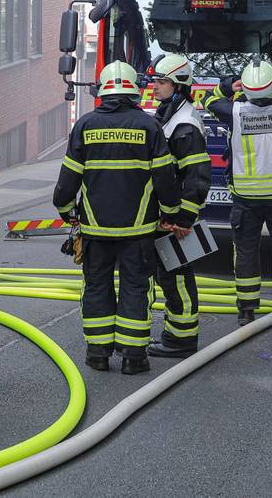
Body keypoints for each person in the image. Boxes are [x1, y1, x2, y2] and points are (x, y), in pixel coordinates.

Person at [52, 61, 179, 374]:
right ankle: (133, 357)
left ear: (103, 89)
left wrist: (66, 211)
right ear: (134, 90)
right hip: (138, 231)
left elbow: (67, 182)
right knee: (136, 288)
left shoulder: (84, 125)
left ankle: (97, 353)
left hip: (95, 230)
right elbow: (165, 179)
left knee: (96, 286)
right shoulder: (149, 126)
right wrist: (171, 214)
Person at [204, 60, 272, 332]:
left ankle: (246, 311)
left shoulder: (234, 111)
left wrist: (229, 85)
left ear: (248, 88)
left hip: (246, 196)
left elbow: (209, 100)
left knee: (245, 251)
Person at [145, 55, 212, 359]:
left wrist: (183, 218)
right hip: (168, 215)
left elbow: (196, 178)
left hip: (177, 219)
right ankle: (176, 332)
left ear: (179, 85)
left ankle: (182, 339)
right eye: (155, 81)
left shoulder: (184, 125)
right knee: (169, 274)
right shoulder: (170, 114)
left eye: (161, 82)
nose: (154, 87)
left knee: (177, 276)